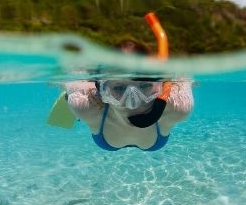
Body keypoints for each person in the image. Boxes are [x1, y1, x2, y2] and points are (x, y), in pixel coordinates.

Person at [64, 40, 194, 151]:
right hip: (94, 100)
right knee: (78, 93)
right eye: (119, 88)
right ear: (101, 90)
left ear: (160, 86)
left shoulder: (178, 108)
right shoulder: (85, 105)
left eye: (145, 86)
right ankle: (67, 96)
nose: (132, 103)